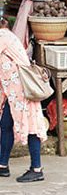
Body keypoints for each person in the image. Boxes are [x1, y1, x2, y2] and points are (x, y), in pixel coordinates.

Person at [0, 18, 47, 182]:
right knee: (5, 125)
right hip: (11, 92)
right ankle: (2, 166)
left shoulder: (2, 37)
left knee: (31, 125)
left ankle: (36, 169)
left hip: (23, 90)